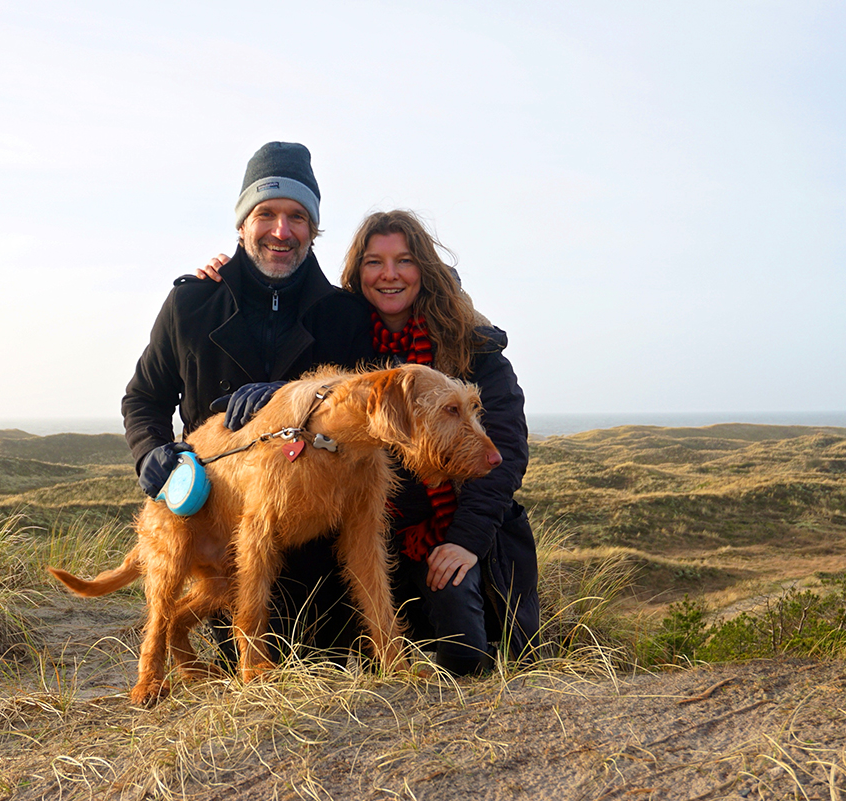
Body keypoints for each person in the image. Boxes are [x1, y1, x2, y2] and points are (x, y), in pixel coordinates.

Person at [200, 209, 541, 676]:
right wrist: (226, 279)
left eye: (404, 260)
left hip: (447, 529)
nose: (390, 275)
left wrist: (466, 541)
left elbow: (503, 455)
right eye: (374, 262)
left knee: (465, 657)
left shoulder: (473, 347)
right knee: (325, 653)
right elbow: (307, 385)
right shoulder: (344, 339)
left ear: (425, 268)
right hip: (363, 527)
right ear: (357, 273)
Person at [122, 141, 374, 661]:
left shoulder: (346, 318)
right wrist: (151, 452)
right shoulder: (190, 304)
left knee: (317, 663)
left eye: (298, 217)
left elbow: (365, 420)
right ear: (242, 224)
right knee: (265, 657)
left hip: (314, 551)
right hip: (224, 539)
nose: (281, 232)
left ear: (314, 229)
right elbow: (144, 396)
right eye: (266, 213)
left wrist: (286, 398)